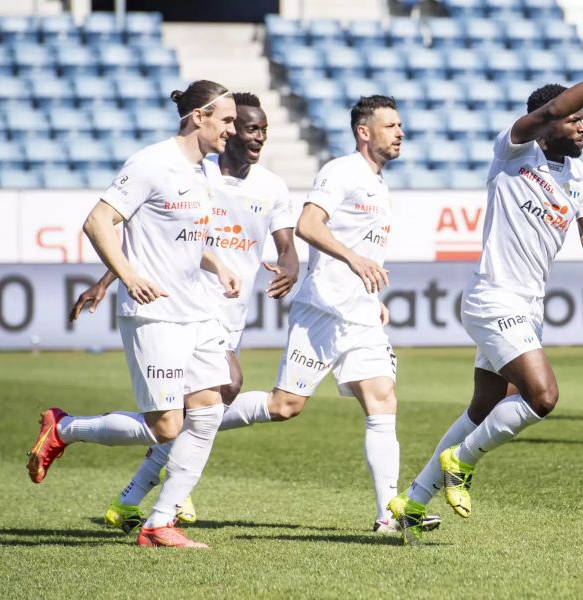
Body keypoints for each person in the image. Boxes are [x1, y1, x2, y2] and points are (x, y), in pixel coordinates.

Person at [386, 59, 583, 545]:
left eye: (582, 120)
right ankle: (462, 461)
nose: (582, 126)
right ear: (547, 123)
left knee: (484, 405)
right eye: (574, 119)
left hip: (528, 307)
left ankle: (411, 501)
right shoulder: (513, 152)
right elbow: (557, 104)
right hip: (494, 296)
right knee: (543, 397)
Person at [157, 94, 437, 534]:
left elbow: (362, 245)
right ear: (364, 132)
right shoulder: (342, 171)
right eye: (390, 126)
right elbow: (308, 225)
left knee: (383, 399)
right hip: (322, 310)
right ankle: (193, 426)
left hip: (359, 314)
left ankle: (389, 515)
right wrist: (353, 261)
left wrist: (370, 296)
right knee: (285, 406)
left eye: (400, 125)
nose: (400, 132)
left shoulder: (379, 183)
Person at [69, 92, 300, 532]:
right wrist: (114, 278)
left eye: (257, 129)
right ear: (206, 121)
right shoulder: (175, 166)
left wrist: (257, 266)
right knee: (194, 409)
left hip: (217, 310)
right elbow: (124, 228)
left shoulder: (259, 184)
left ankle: (147, 508)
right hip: (171, 310)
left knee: (202, 410)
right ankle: (78, 439)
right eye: (239, 124)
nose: (248, 134)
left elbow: (204, 240)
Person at [26, 80, 240, 548]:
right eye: (225, 119)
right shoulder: (151, 162)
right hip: (155, 315)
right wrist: (124, 275)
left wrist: (219, 264)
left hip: (197, 311)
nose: (233, 128)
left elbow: (181, 238)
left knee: (206, 412)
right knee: (166, 426)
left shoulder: (205, 171)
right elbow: (98, 222)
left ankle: (159, 523)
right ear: (198, 116)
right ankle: (63, 428)